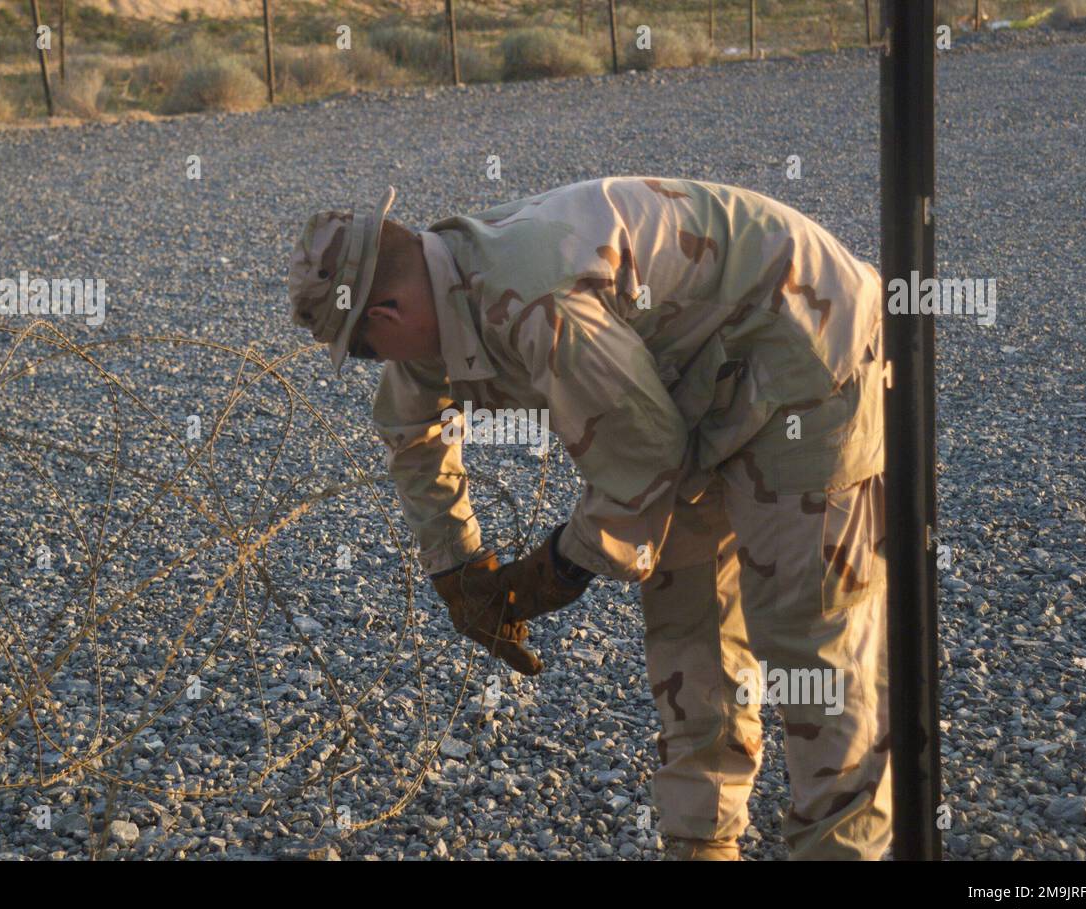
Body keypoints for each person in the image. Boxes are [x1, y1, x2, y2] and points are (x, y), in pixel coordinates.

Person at [286, 177, 891, 860]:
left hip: (804, 343)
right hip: (692, 382)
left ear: (388, 316)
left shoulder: (532, 295)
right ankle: (703, 844)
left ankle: (846, 849)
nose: (377, 365)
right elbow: (412, 430)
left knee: (807, 631)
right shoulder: (438, 285)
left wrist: (558, 569)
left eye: (364, 351)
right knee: (688, 621)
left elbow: (642, 457)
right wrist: (458, 568)